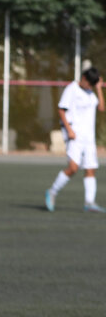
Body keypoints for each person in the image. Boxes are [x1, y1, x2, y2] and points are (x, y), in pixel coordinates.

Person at [45, 67, 105, 212]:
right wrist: (69, 130)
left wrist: (98, 88)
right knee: (73, 168)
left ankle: (89, 202)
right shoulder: (72, 89)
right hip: (75, 135)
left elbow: (101, 108)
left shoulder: (91, 92)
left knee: (90, 169)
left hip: (89, 137)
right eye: (89, 83)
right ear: (83, 78)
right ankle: (52, 192)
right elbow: (61, 109)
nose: (89, 86)